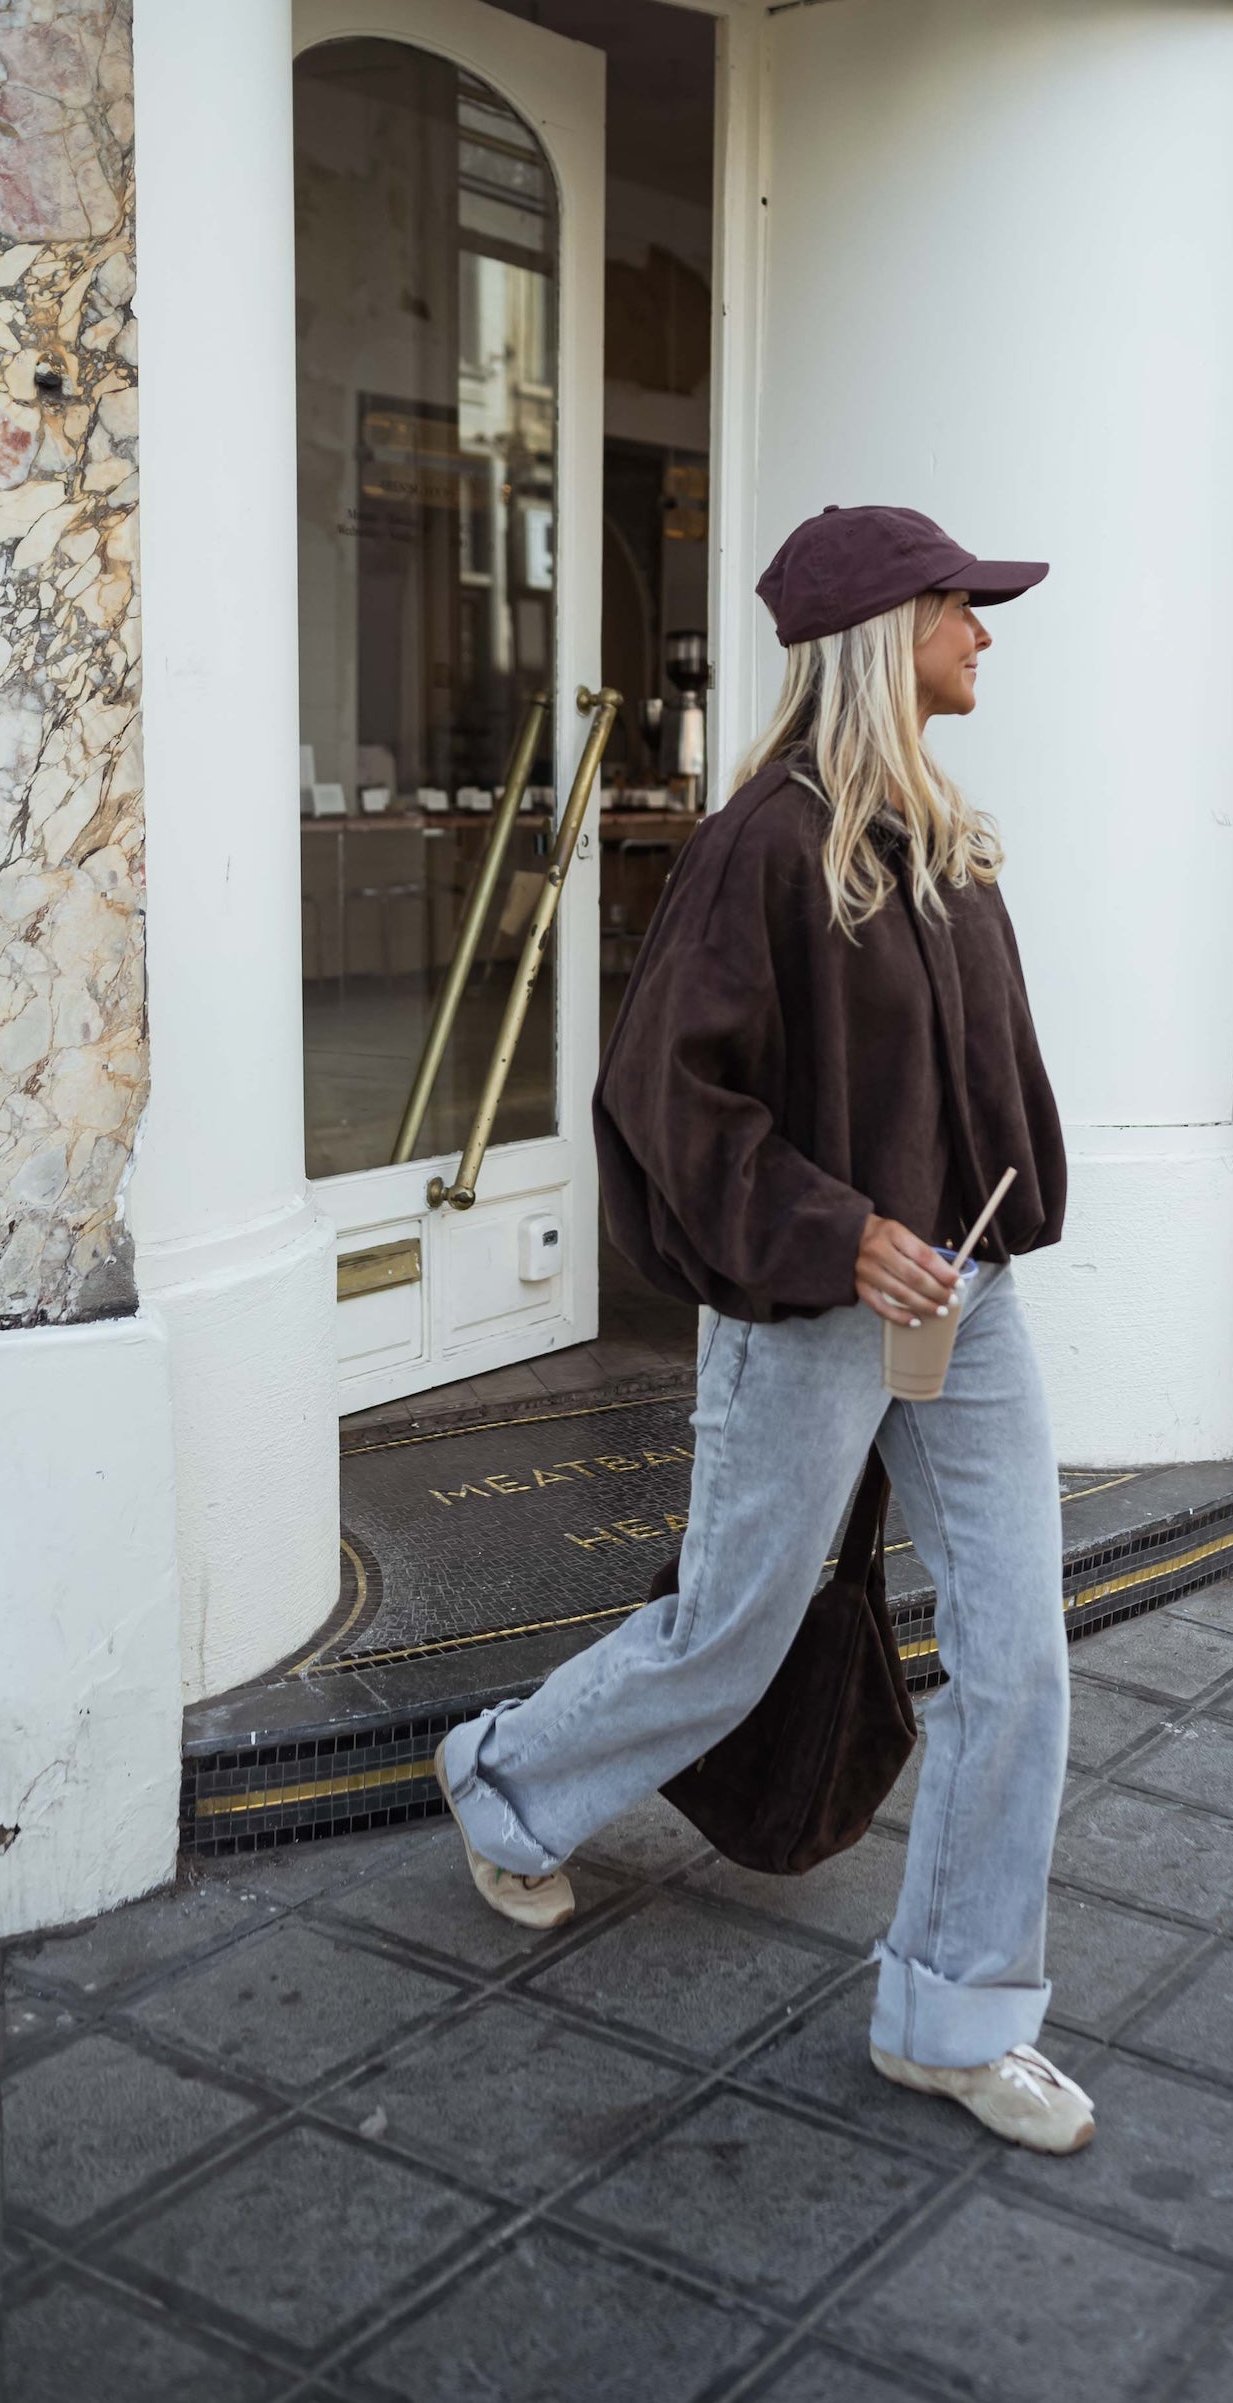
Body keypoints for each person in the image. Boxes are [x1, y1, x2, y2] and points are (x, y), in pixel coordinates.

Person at [435, 503, 1091, 2154]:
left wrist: (984, 1215)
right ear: (888, 632)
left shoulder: (937, 838)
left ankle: (952, 2013)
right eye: (962, 610)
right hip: (811, 1312)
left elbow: (971, 1081)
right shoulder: (760, 847)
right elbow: (668, 1099)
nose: (983, 639)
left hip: (966, 1300)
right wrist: (839, 1231)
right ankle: (505, 1781)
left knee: (1020, 1656)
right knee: (727, 1633)